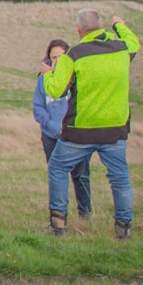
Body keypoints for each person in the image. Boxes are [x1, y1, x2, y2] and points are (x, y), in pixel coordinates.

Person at [42, 8, 142, 239]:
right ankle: (123, 228)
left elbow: (56, 90)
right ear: (102, 26)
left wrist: (48, 73)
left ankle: (58, 224)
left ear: (79, 30)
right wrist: (119, 25)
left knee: (57, 168)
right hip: (114, 128)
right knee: (120, 177)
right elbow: (133, 41)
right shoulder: (122, 48)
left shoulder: (74, 55)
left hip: (81, 130)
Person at [34, 38, 88, 220]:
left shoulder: (78, 78)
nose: (56, 60)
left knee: (81, 176)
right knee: (56, 175)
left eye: (60, 56)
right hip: (51, 135)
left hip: (76, 135)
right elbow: (38, 107)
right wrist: (50, 125)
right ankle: (59, 214)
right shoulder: (43, 80)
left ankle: (85, 212)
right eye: (53, 57)